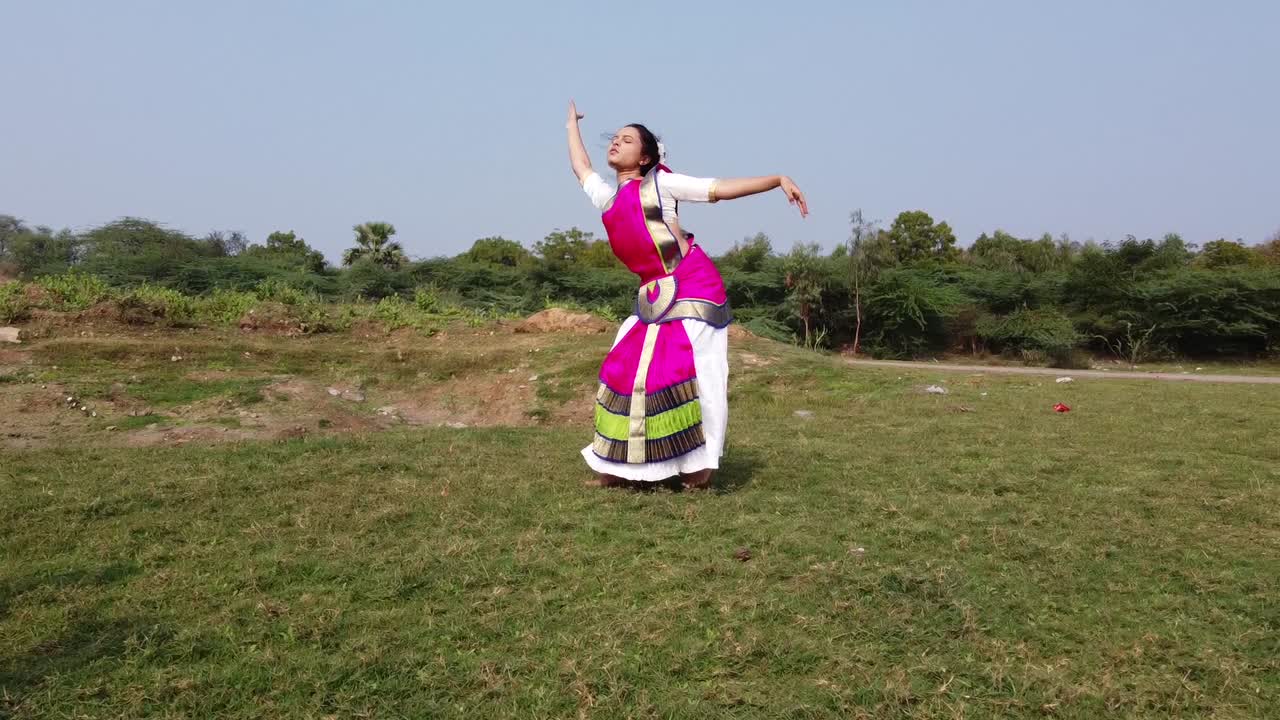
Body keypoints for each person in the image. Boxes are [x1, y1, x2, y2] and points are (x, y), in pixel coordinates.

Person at [566, 100, 807, 490]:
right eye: (614, 138)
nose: (615, 142)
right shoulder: (609, 200)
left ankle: (699, 467)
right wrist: (570, 125)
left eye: (626, 139)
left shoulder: (663, 184)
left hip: (692, 286)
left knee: (693, 371)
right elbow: (581, 168)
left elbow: (720, 189)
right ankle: (620, 467)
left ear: (645, 157)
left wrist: (777, 179)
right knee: (624, 369)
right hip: (653, 296)